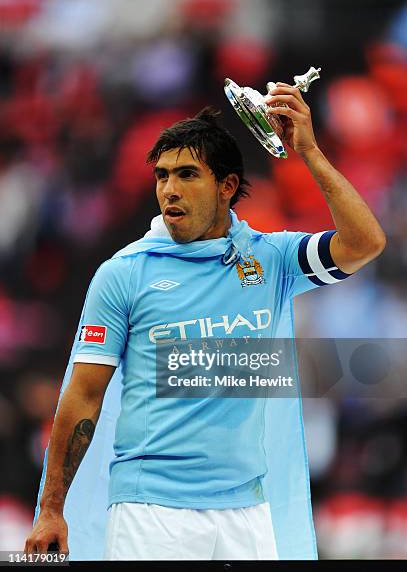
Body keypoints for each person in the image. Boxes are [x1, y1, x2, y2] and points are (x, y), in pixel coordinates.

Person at [24, 83, 386, 561]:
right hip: (152, 511)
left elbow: (364, 243)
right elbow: (83, 395)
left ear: (227, 185)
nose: (169, 190)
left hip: (248, 511)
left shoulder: (271, 259)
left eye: (187, 174)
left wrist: (309, 151)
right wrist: (51, 509)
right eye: (162, 176)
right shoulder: (125, 274)